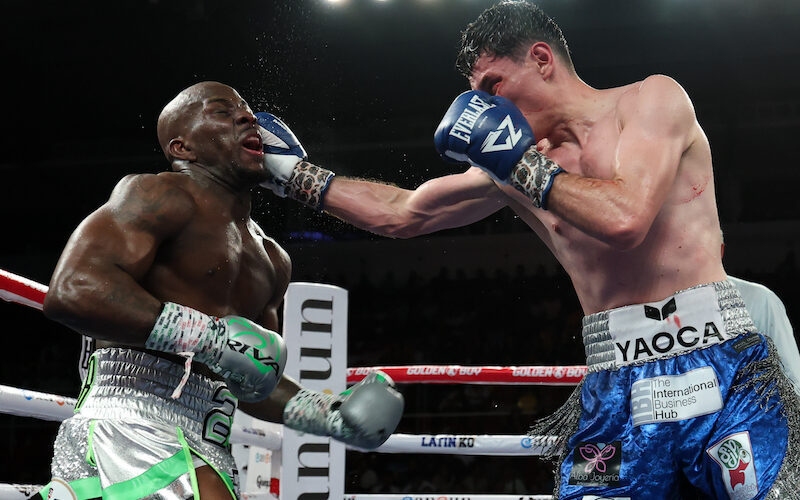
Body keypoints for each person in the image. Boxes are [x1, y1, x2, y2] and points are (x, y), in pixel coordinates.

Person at [255, 1, 800, 497]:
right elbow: (404, 212)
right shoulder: (513, 167)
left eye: (494, 85)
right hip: (616, 382)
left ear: (541, 59)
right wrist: (293, 174)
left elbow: (626, 218)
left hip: (722, 362)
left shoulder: (649, 101)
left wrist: (520, 164)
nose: (486, 106)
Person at [37, 81, 403, 500]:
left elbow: (252, 376)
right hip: (132, 418)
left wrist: (325, 414)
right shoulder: (157, 194)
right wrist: (208, 338)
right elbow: (73, 289)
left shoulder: (272, 258)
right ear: (183, 148)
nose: (248, 117)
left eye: (246, 110)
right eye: (221, 112)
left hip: (210, 435)